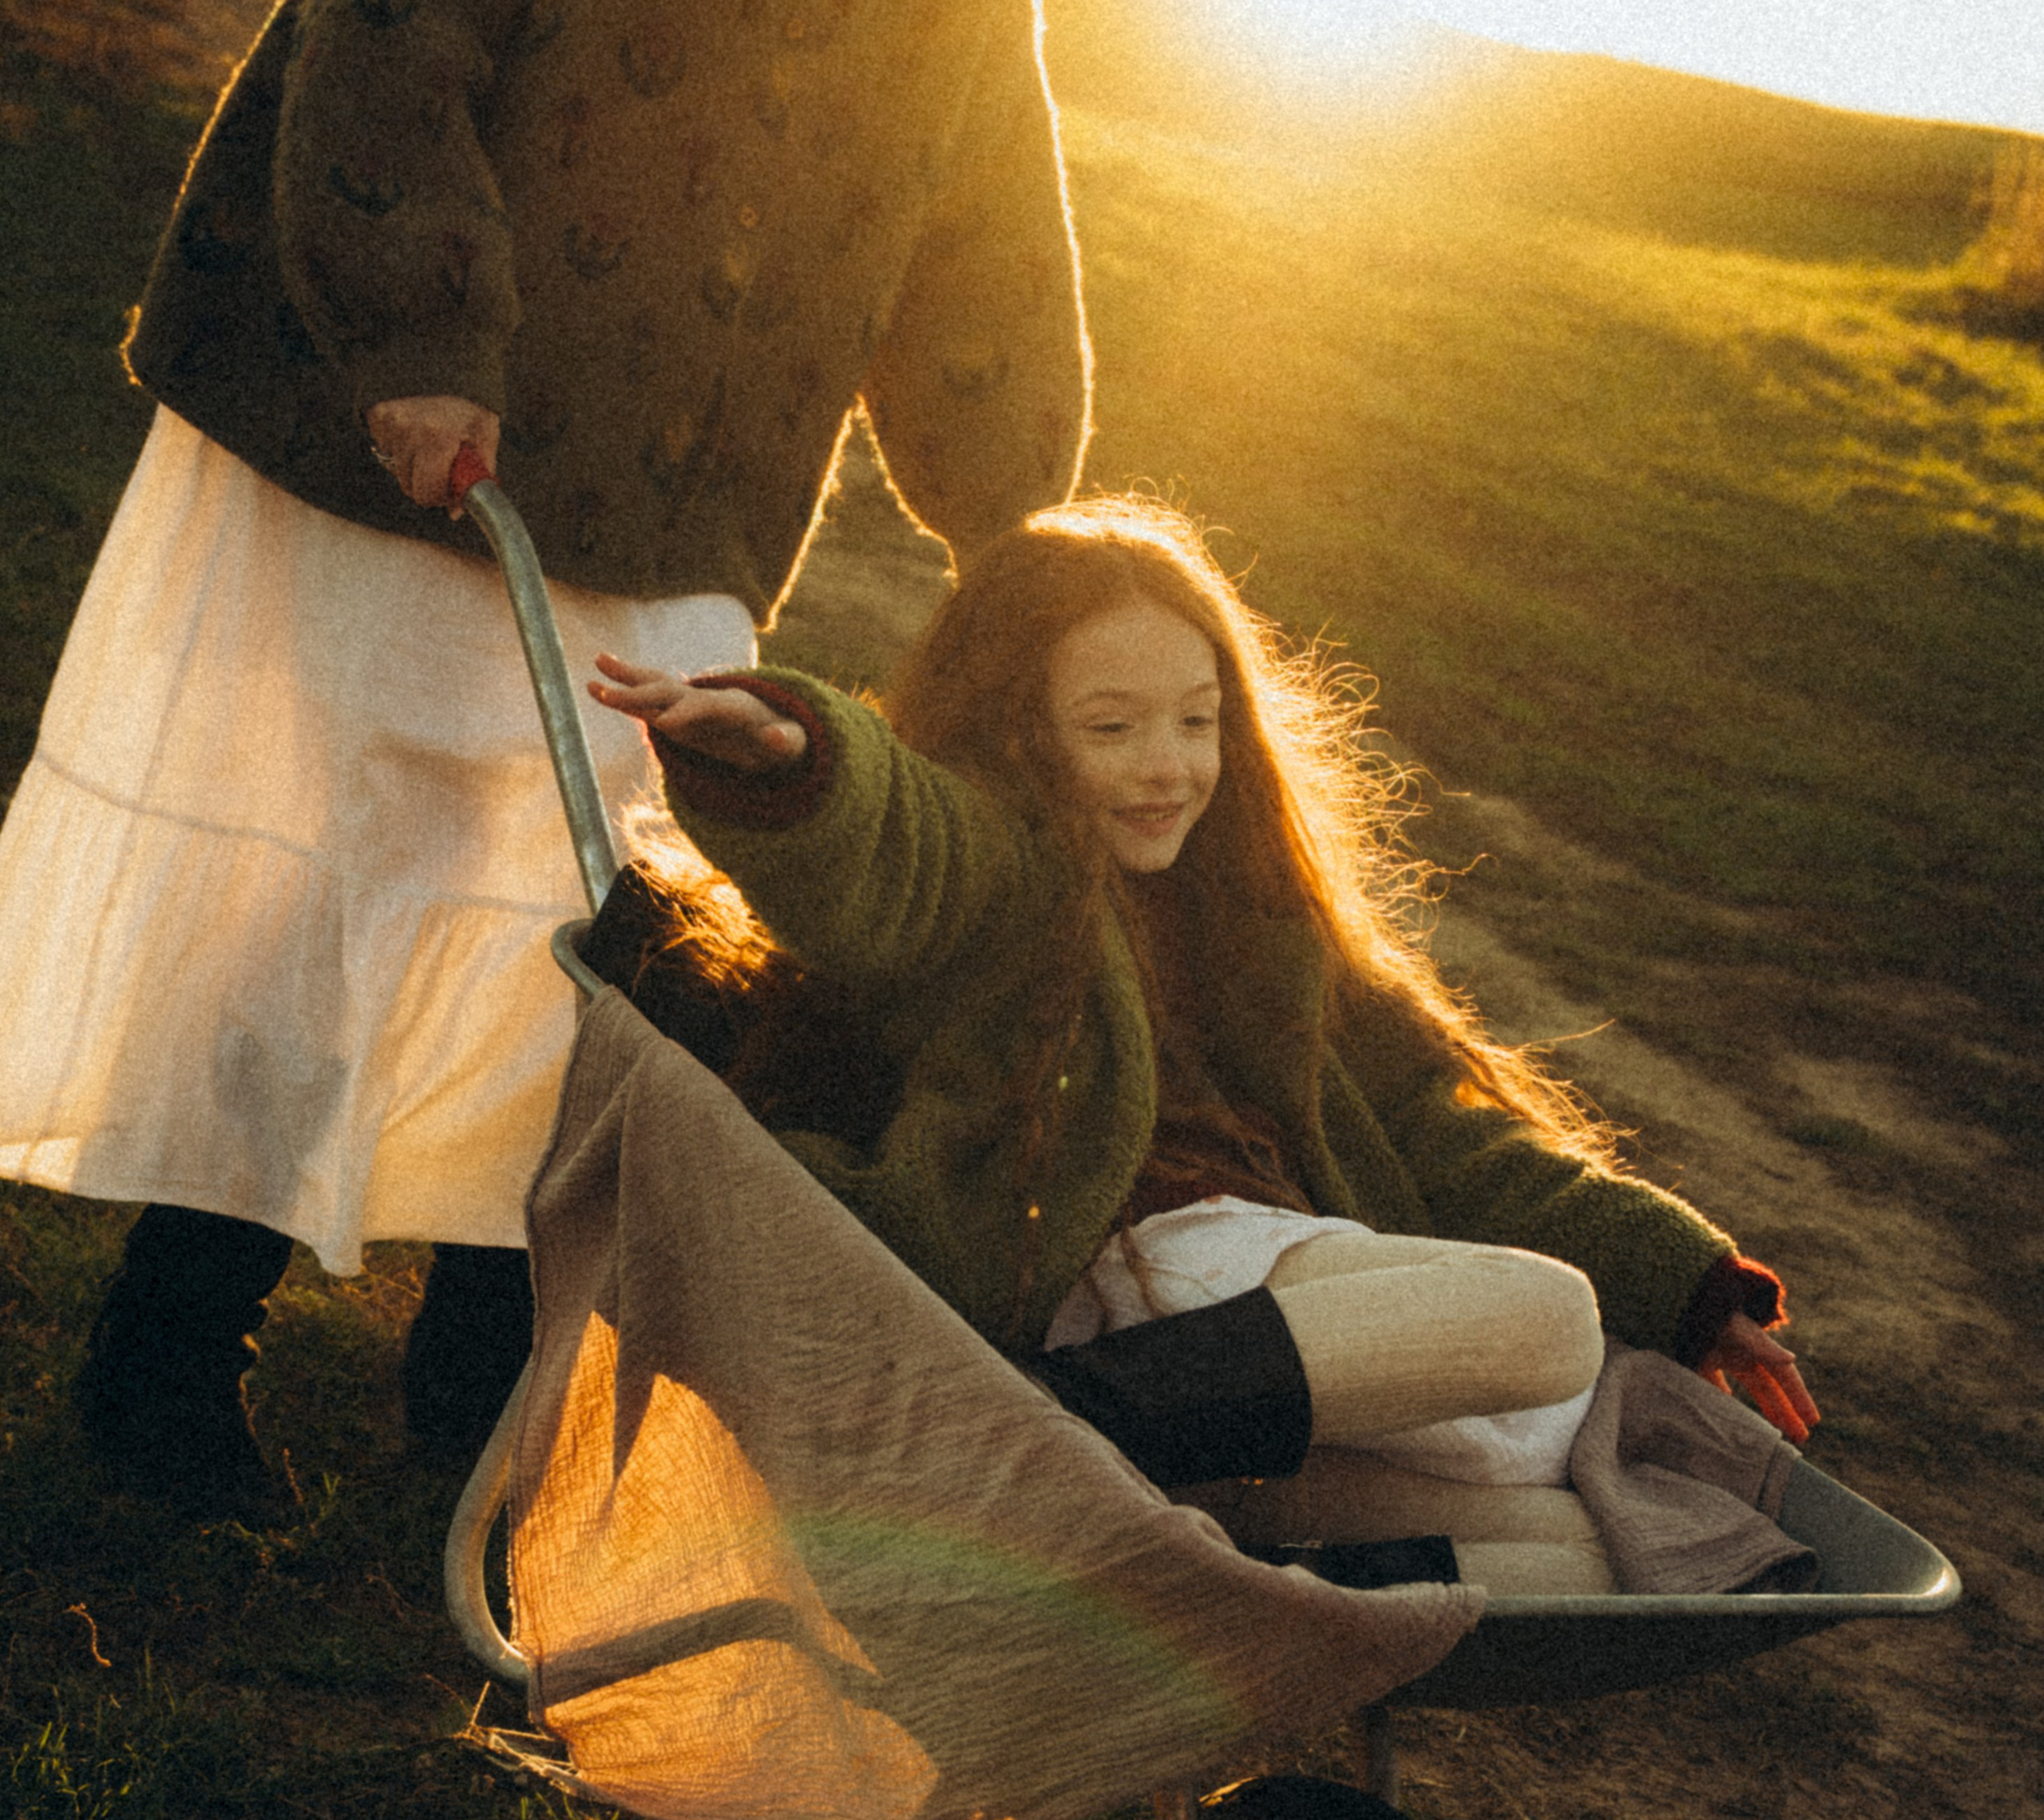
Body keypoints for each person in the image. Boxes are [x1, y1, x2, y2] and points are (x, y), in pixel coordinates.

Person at [0, 0, 1089, 1518]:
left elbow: (988, 232)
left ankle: (479, 1395)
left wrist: (1018, 528)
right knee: (355, 875)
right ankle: (169, 1349)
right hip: (427, 435)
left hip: (689, 487)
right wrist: (422, 333)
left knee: (606, 941)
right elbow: (386, 47)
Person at [578, 495, 1816, 1557]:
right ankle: (1037, 1428)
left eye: (1197, 719)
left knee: (1555, 1536)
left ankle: (1160, 1519)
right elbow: (902, 838)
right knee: (1549, 1323)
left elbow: (1438, 1135)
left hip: (1268, 1312)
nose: (1166, 765)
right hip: (1131, 1269)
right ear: (1020, 732)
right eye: (1111, 728)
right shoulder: (1014, 875)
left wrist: (1688, 1281)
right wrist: (793, 755)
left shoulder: (1257, 920)